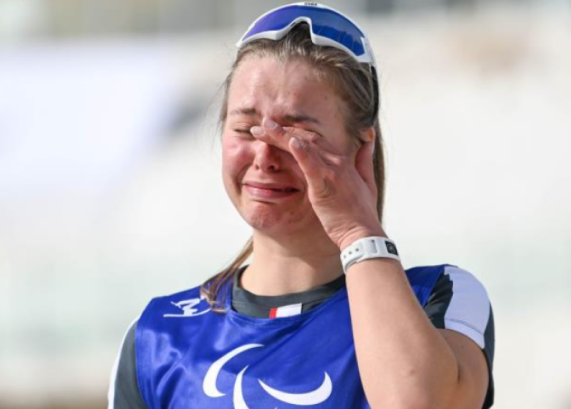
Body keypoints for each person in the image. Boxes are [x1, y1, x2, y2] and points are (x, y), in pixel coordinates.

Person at [107, 3, 495, 409]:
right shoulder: (157, 337)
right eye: (246, 129)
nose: (264, 156)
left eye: (296, 135)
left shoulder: (438, 296)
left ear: (360, 149)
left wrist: (357, 232)